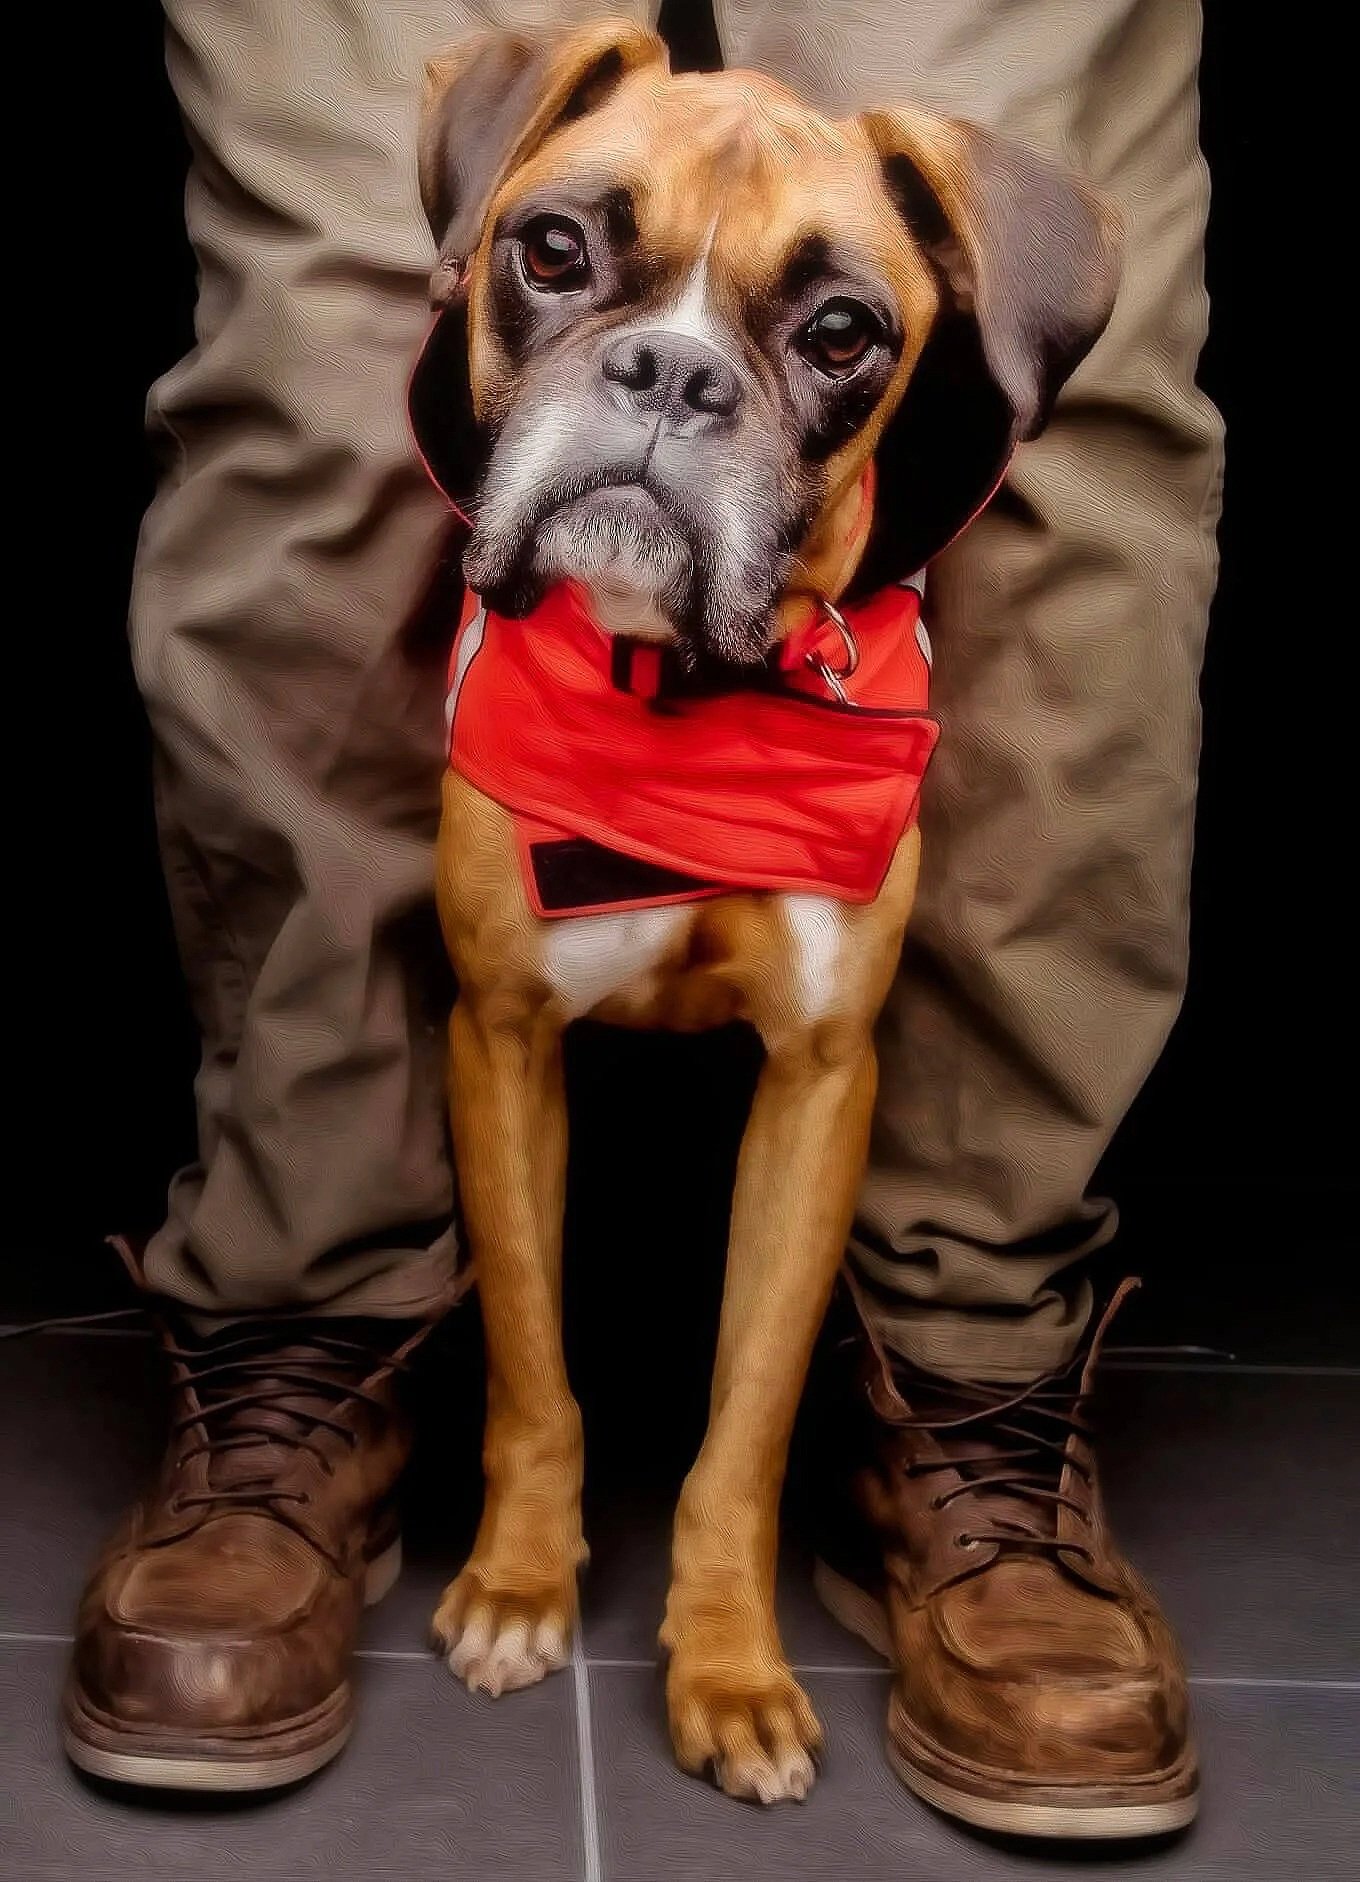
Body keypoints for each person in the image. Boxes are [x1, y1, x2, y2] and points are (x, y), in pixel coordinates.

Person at [65, 0, 1221, 1836]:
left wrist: (713, 1569)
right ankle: (335, 1321)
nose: (670, 380)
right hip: (515, 812)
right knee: (311, 359)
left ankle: (954, 1374)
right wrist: (547, 1474)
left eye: (825, 334)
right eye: (557, 261)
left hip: (829, 751)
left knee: (1088, 480)